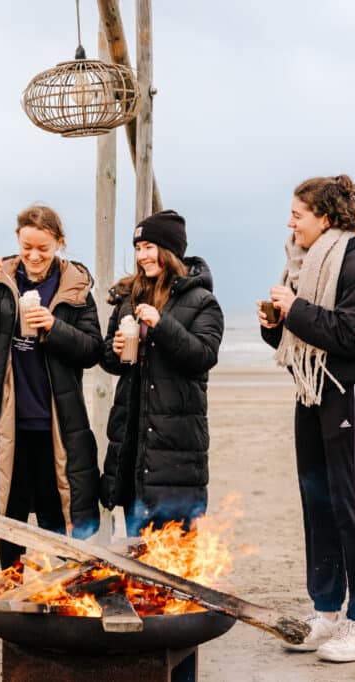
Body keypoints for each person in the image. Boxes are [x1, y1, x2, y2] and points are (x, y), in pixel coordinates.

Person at [259, 174, 355, 663]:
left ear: (326, 218)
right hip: (311, 394)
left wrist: (297, 309)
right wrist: (277, 324)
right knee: (316, 506)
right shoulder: (305, 267)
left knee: (351, 507)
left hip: (349, 399)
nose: (290, 222)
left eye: (298, 214)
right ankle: (327, 612)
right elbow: (305, 341)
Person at [0, 204, 102, 570]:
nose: (34, 256)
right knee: (8, 519)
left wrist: (54, 327)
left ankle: (61, 597)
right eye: (27, 246)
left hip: (55, 426)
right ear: (18, 240)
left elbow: (93, 349)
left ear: (59, 244)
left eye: (43, 249)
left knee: (56, 517)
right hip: (5, 424)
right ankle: (12, 592)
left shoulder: (75, 289)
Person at [99, 210, 224, 537]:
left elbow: (203, 356)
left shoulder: (202, 302)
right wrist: (112, 351)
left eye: (150, 247)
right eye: (138, 248)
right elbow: (111, 362)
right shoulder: (129, 300)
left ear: (169, 251)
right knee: (135, 557)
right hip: (131, 445)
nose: (142, 256)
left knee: (175, 561)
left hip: (176, 451)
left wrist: (161, 324)